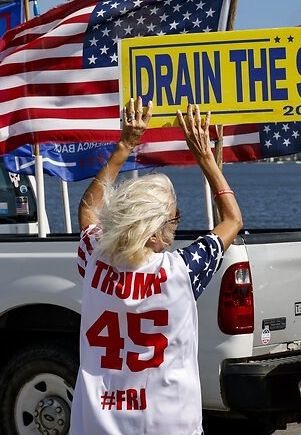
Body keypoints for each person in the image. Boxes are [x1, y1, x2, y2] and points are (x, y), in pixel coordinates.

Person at [71, 100, 243, 435]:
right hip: (169, 421)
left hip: (97, 421)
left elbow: (88, 210)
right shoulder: (182, 271)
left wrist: (125, 145)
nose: (177, 224)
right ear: (155, 231)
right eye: (175, 218)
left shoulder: (95, 258)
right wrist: (205, 157)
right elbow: (233, 220)